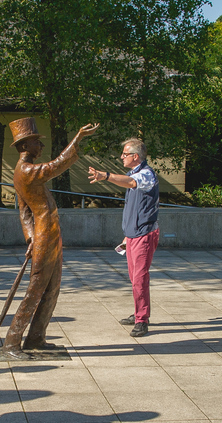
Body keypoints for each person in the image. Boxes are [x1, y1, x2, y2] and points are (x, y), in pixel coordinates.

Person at [2, 118, 98, 359]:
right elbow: (58, 165)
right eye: (37, 142)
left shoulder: (24, 170)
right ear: (25, 146)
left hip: (47, 233)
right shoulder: (26, 170)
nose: (40, 147)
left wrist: (29, 237)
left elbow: (23, 211)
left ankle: (36, 337)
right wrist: (78, 137)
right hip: (45, 232)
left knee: (52, 288)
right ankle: (12, 343)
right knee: (36, 289)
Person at [88, 138, 159, 338]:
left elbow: (131, 183)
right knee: (134, 278)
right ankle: (139, 313)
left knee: (139, 278)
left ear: (135, 156)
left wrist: (106, 176)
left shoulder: (145, 174)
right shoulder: (134, 173)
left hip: (144, 234)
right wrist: (127, 236)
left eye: (125, 154)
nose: (121, 157)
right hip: (133, 235)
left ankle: (142, 320)